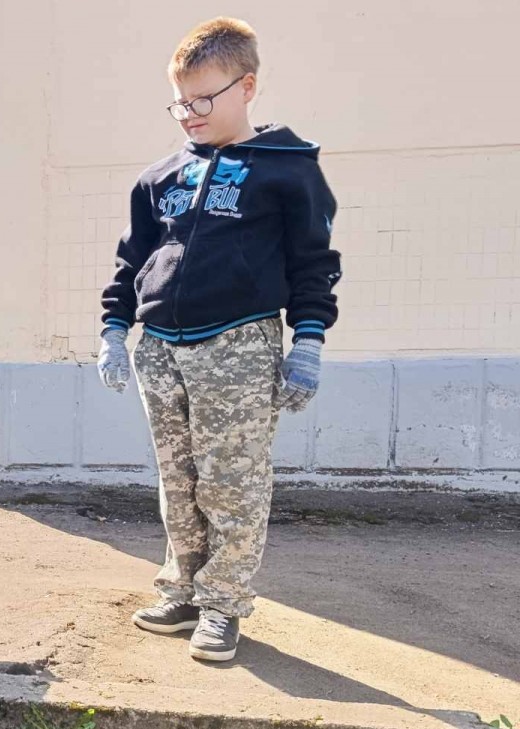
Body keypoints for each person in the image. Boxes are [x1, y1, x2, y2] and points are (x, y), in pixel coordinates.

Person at [96, 18, 341, 662]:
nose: (188, 115)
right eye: (180, 101)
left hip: (238, 344)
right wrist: (115, 331)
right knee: (177, 479)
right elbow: (132, 261)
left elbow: (313, 262)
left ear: (247, 86)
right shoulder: (160, 178)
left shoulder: (289, 168)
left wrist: (308, 341)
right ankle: (183, 588)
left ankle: (224, 603)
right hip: (162, 347)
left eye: (203, 100)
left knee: (231, 480)